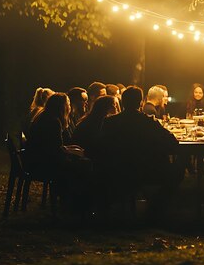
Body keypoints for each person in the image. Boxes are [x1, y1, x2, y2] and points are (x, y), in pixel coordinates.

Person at [100, 86, 184, 218]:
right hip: (147, 170)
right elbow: (172, 142)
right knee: (178, 170)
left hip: (117, 170)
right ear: (140, 102)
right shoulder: (148, 121)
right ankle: (155, 208)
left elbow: (102, 146)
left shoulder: (109, 122)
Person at [72, 95, 120, 160]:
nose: (116, 109)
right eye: (115, 105)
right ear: (106, 108)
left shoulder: (89, 120)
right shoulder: (98, 124)